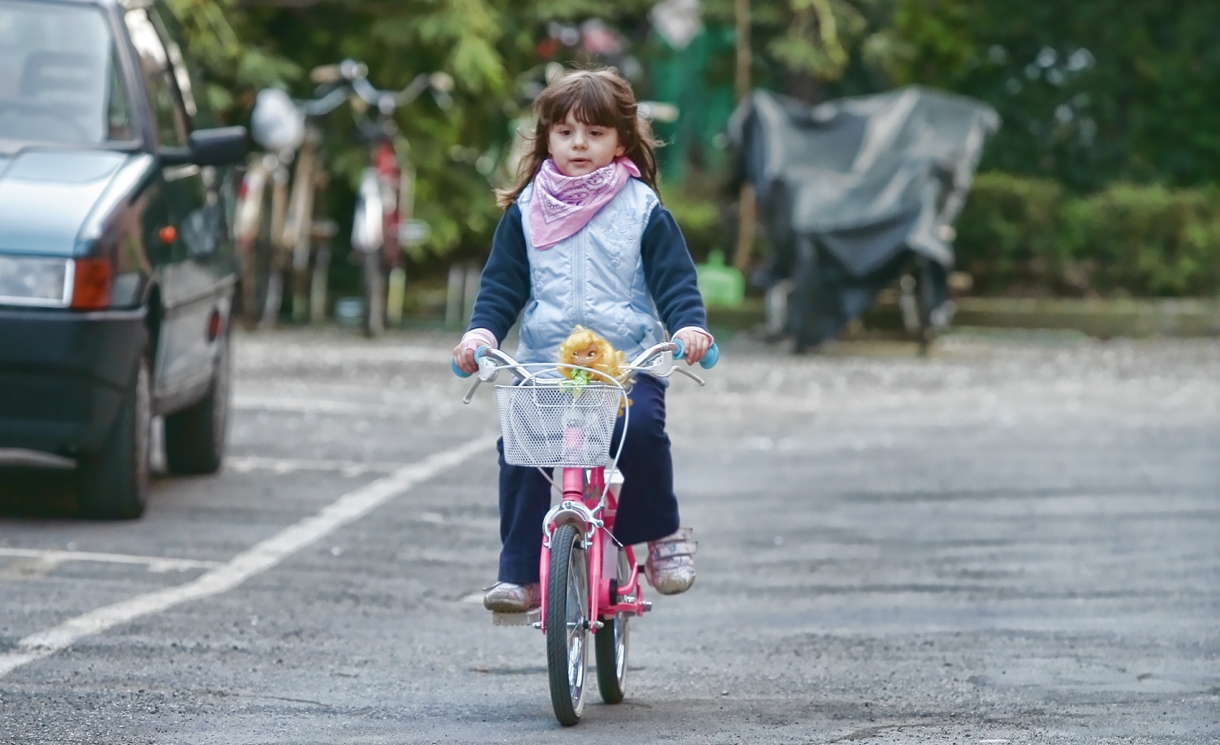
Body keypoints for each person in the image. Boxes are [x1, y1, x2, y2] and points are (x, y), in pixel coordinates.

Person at [452, 68, 713, 613]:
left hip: (626, 363)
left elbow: (675, 282)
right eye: (566, 131)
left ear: (621, 140)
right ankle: (520, 573)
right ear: (546, 135)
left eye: (595, 133)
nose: (579, 144)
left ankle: (662, 535)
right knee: (520, 446)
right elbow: (502, 285)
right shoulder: (527, 210)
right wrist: (480, 335)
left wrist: (689, 327)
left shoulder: (642, 208)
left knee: (640, 429)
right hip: (546, 365)